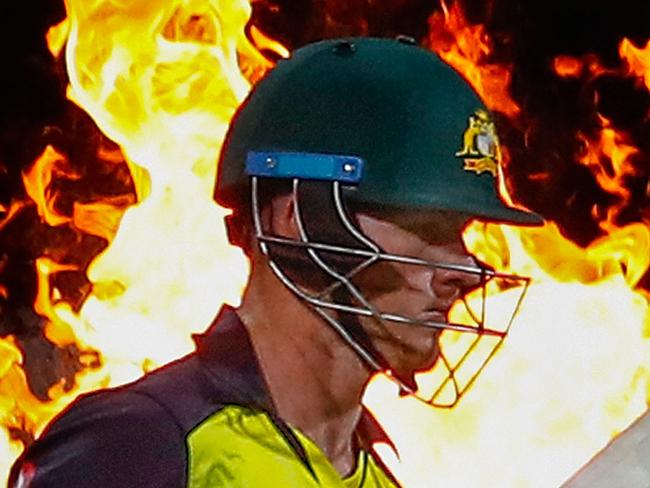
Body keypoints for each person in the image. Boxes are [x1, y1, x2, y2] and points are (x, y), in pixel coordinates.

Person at [9, 37, 542, 487]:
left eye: (461, 234)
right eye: (425, 228)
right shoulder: (141, 444)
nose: (466, 272)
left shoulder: (376, 475)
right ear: (297, 220)